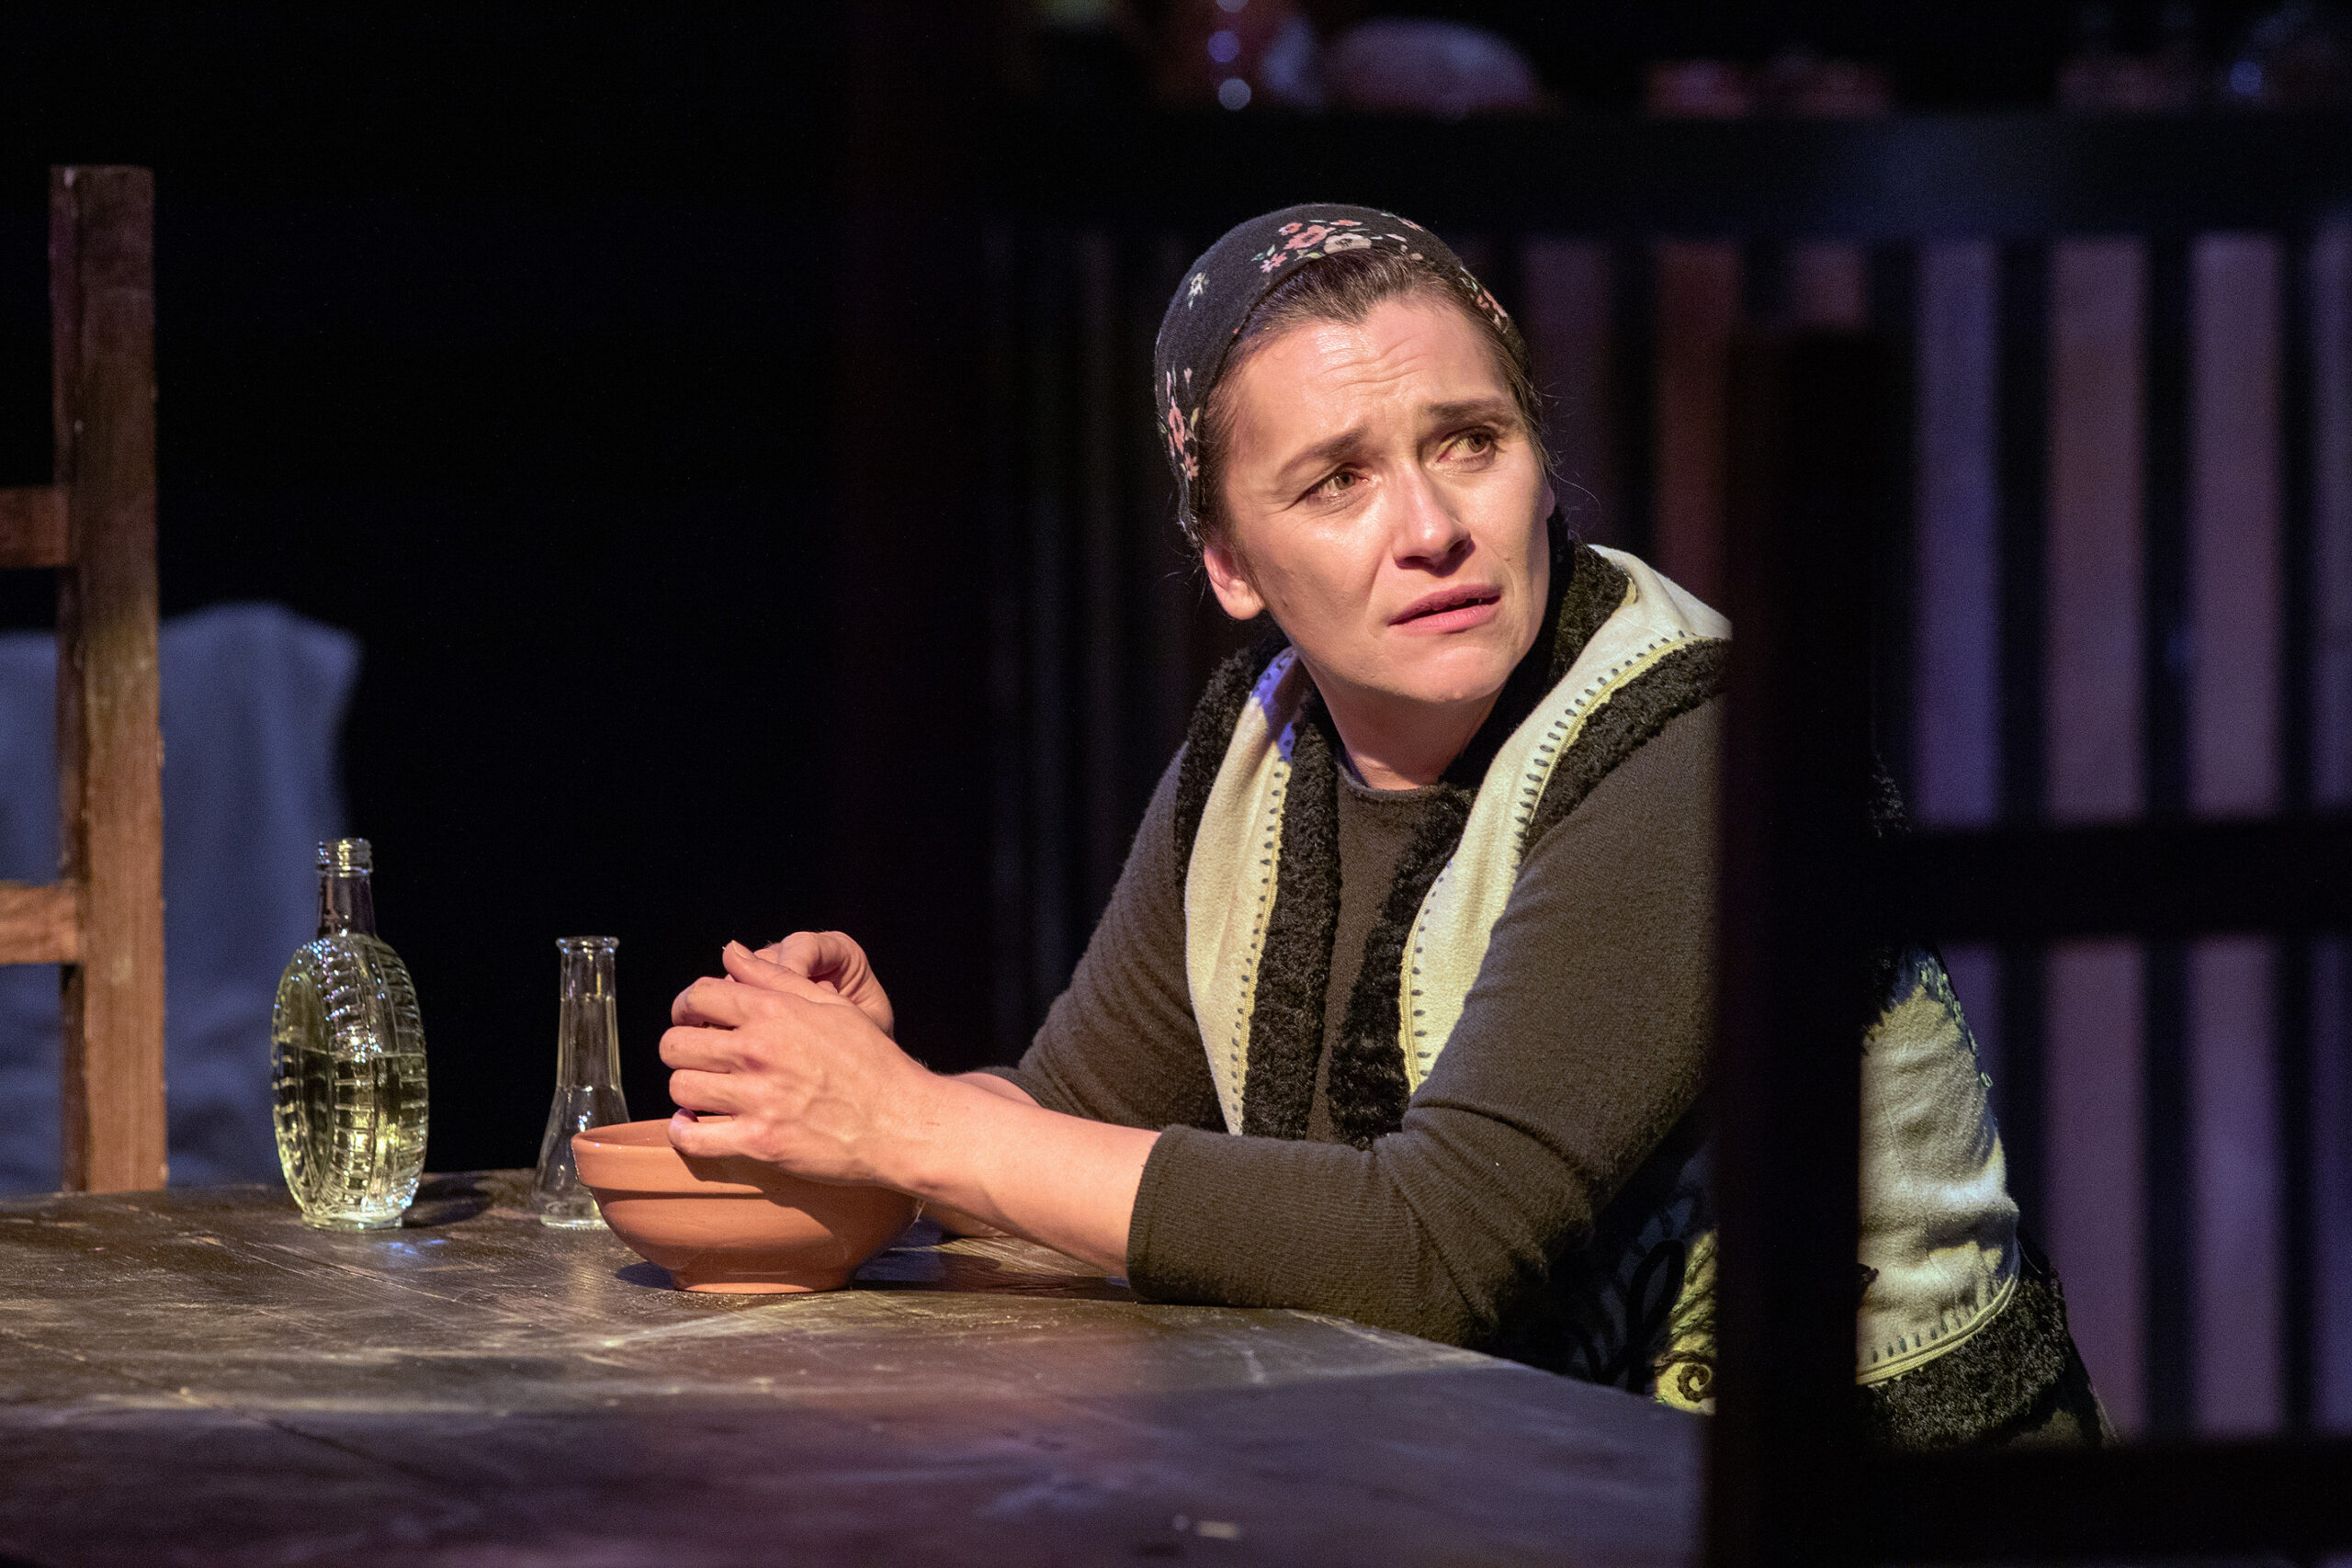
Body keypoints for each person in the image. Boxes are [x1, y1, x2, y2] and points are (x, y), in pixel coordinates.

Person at [660, 204, 2106, 1450]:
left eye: (1469, 442)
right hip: (1523, 1491)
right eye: (1338, 479)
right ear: (1231, 564)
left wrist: (911, 1125)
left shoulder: (1693, 739)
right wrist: (855, 1097)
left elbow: (1436, 1255)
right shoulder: (1261, 738)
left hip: (1863, 1512)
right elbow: (1075, 1138)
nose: (1430, 528)